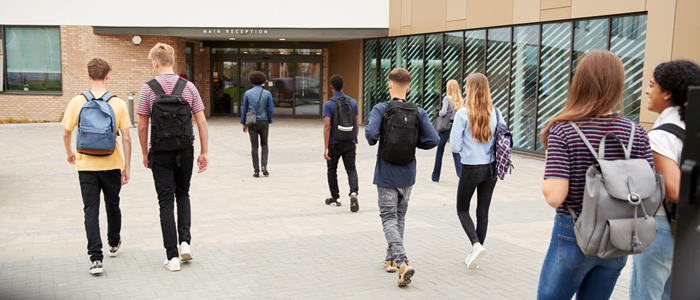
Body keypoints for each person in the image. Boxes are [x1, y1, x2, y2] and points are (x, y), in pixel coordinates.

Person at [536, 50, 654, 299]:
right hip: (620, 236)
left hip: (575, 232)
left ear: (579, 82)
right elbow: (650, 190)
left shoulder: (563, 130)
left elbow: (555, 196)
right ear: (618, 85)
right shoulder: (637, 133)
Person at [629, 60, 700, 300]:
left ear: (668, 93)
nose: (647, 91)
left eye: (651, 85)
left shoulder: (660, 136)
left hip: (661, 227)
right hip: (688, 231)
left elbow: (673, 189)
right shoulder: (693, 129)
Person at [137, 43, 209, 272]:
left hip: (159, 151)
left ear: (155, 63)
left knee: (165, 202)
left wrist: (144, 152)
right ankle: (185, 242)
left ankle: (172, 257)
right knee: (183, 193)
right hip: (185, 150)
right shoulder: (188, 87)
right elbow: (201, 121)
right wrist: (204, 152)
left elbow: (141, 126)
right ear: (174, 61)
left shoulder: (148, 89)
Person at [365, 68, 439, 287]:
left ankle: (402, 262)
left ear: (389, 84)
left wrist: (379, 140)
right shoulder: (419, 111)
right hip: (408, 173)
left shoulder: (381, 108)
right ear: (408, 85)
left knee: (388, 217)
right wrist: (413, 143)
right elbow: (433, 140)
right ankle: (390, 260)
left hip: (386, 173)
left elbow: (370, 134)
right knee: (399, 217)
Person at [61, 57, 132, 275]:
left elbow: (66, 132)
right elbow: (127, 138)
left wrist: (70, 154)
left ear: (89, 75)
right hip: (112, 164)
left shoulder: (77, 102)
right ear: (108, 75)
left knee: (90, 210)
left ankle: (96, 259)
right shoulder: (118, 103)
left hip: (86, 166)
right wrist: (126, 167)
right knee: (113, 205)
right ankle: (113, 243)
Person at [449, 73, 504, 270]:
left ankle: (475, 245)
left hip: (471, 167)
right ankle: (476, 254)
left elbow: (454, 147)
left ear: (470, 89)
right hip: (491, 168)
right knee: (483, 213)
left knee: (462, 209)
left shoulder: (463, 114)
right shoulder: (497, 113)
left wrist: (468, 149)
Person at [323, 74, 360, 211]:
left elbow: (327, 126)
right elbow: (356, 123)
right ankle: (354, 192)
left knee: (332, 169)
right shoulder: (353, 102)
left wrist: (326, 148)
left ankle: (335, 198)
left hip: (334, 143)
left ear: (331, 87)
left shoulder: (329, 104)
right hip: (349, 142)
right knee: (351, 169)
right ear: (343, 86)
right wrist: (354, 140)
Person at [240, 71, 274, 178]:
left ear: (251, 80)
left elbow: (244, 109)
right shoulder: (267, 93)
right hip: (263, 121)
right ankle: (264, 166)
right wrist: (269, 119)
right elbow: (271, 109)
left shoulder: (247, 93)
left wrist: (243, 122)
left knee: (254, 146)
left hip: (252, 122)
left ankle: (256, 170)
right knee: (264, 143)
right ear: (263, 80)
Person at [430, 79, 462, 182]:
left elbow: (443, 112)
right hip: (455, 127)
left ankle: (435, 177)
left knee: (440, 152)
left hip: (445, 127)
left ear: (448, 87)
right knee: (455, 152)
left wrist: (440, 113)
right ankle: (462, 176)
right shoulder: (459, 100)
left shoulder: (447, 98)